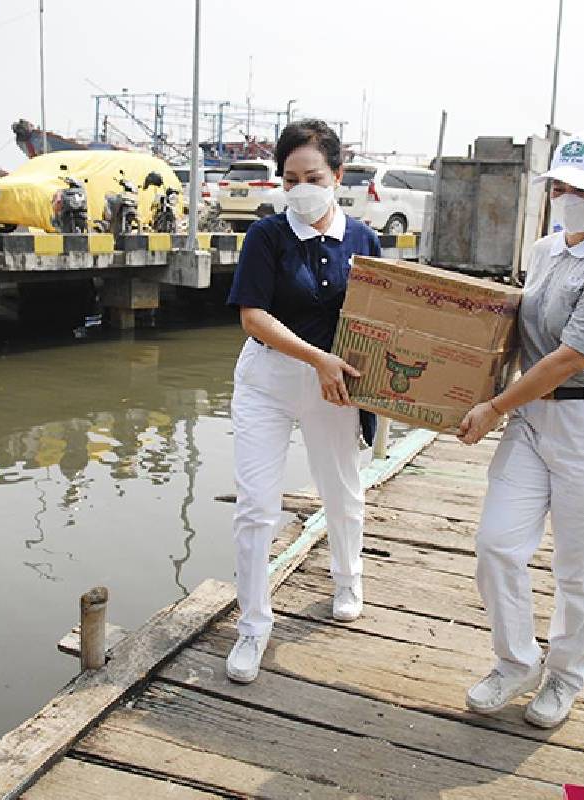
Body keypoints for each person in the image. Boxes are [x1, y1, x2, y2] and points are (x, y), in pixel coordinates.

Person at [460, 131, 584, 729]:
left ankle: (566, 677)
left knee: (579, 568)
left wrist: (492, 407)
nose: (568, 197)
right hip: (534, 418)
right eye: (560, 187)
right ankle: (516, 659)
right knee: (497, 544)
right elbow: (517, 326)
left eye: (582, 189)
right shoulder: (545, 251)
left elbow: (568, 357)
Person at [224, 119, 382, 684]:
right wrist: (315, 357)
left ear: (338, 176)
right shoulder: (267, 236)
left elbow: (383, 317)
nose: (300, 188)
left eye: (312, 176)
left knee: (340, 491)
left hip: (333, 385)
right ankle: (252, 626)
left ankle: (348, 578)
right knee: (256, 507)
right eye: (289, 178)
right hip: (268, 380)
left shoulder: (363, 238)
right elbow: (253, 315)